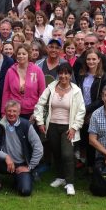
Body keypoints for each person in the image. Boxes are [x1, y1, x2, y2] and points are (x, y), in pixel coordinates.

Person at [33, 63, 86, 196]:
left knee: (67, 154)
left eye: (66, 73)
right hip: (52, 126)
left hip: (68, 128)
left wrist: (74, 127)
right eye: (61, 73)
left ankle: (70, 183)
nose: (63, 76)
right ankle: (61, 177)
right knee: (56, 153)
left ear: (70, 74)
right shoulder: (51, 88)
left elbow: (81, 111)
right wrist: (40, 122)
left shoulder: (76, 91)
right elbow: (40, 104)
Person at [0, 100, 44, 196]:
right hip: (4, 163)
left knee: (25, 191)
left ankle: (20, 178)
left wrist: (30, 166)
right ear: (5, 111)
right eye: (9, 111)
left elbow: (39, 147)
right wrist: (6, 156)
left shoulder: (26, 125)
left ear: (19, 113)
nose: (11, 114)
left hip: (21, 165)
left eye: (14, 111)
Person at [2, 44, 46, 119]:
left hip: (32, 112)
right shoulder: (10, 71)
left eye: (24, 54)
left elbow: (42, 94)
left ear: (28, 55)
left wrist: (37, 113)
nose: (21, 56)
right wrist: (3, 112)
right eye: (19, 54)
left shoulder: (37, 70)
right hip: (13, 112)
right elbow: (6, 93)